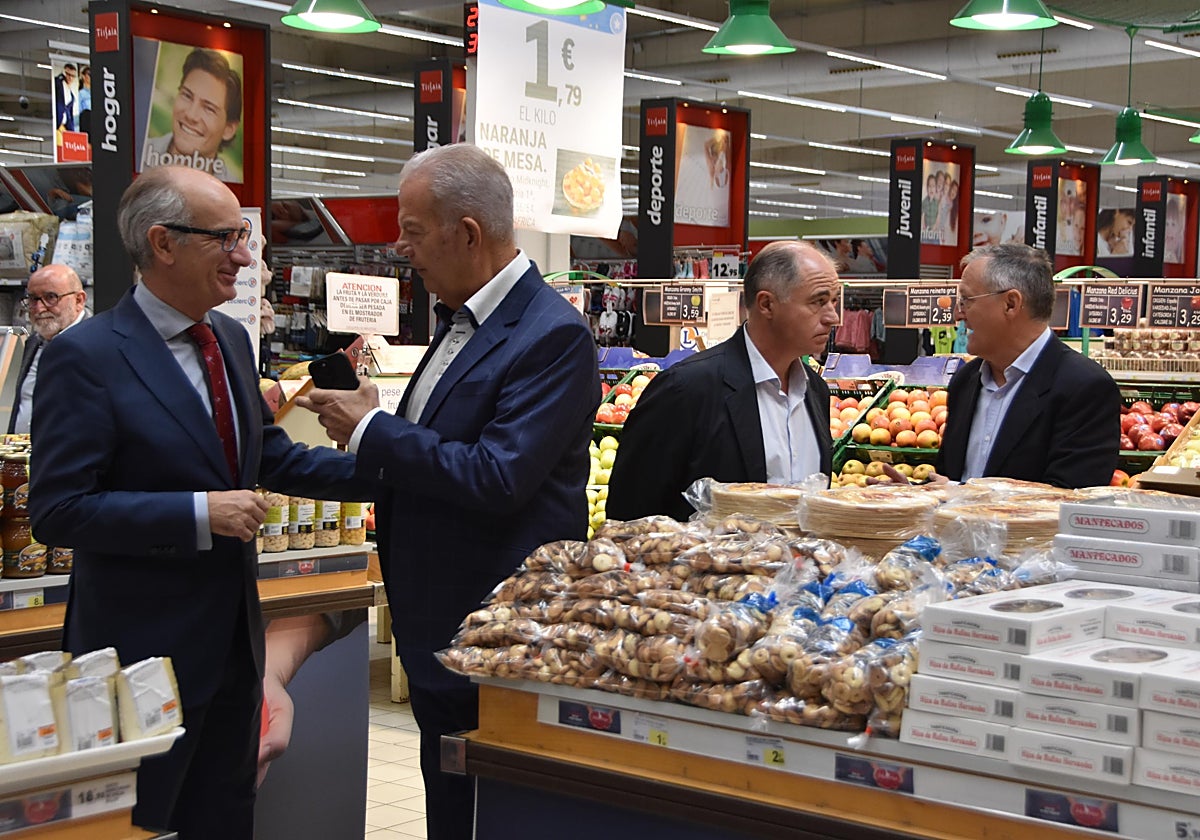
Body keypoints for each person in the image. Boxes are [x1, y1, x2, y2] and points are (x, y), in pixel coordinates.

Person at [28, 165, 367, 839]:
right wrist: (195, 513)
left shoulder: (230, 341)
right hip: (138, 661)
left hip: (233, 654)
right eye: (227, 237)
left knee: (224, 819)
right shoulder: (87, 356)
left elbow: (269, 457)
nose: (245, 255)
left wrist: (386, 458)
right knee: (143, 825)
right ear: (163, 244)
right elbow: (58, 510)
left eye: (245, 237)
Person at [296, 143, 600, 840]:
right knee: (447, 811)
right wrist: (272, 457)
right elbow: (419, 465)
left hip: (500, 638)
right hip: (439, 631)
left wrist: (372, 428)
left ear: (467, 233)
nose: (400, 247)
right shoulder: (459, 322)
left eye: (412, 230)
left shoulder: (551, 336)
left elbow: (496, 475)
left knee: (497, 814)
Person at [607, 241, 838, 522]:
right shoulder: (685, 390)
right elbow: (630, 516)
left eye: (834, 302)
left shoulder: (816, 391)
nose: (833, 317)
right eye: (818, 301)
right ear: (767, 304)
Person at [935, 243, 1120, 488]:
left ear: (1010, 304)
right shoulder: (965, 381)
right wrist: (914, 496)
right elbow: (948, 479)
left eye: (966, 300)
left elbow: (1069, 498)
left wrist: (957, 494)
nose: (958, 314)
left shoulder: (1086, 387)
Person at [8, 264, 88, 434]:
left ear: (79, 300)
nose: (39, 308)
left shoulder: (99, 344)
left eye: (51, 297)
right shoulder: (33, 343)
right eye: (32, 299)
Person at [141, 48, 242, 183]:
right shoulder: (137, 156)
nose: (191, 115)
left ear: (228, 129)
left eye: (208, 108)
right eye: (187, 96)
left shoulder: (231, 191)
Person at [53, 63, 76, 133]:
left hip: (66, 126)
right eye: (68, 74)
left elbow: (71, 113)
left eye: (73, 76)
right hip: (57, 123)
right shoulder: (59, 83)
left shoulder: (72, 95)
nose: (70, 78)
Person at [77, 66, 92, 135]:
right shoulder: (81, 93)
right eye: (89, 74)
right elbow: (78, 110)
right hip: (86, 121)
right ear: (83, 76)